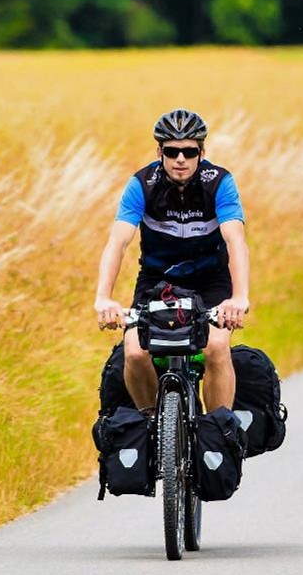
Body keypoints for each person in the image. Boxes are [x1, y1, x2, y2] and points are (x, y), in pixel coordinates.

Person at [93, 109, 250, 413]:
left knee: (216, 347)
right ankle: (152, 423)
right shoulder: (142, 184)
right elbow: (118, 242)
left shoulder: (219, 183)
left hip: (210, 280)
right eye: (172, 151)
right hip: (157, 282)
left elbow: (236, 241)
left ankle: (218, 433)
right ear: (159, 152)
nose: (181, 158)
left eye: (189, 151)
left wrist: (239, 297)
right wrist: (103, 298)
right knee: (135, 353)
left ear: (201, 153)